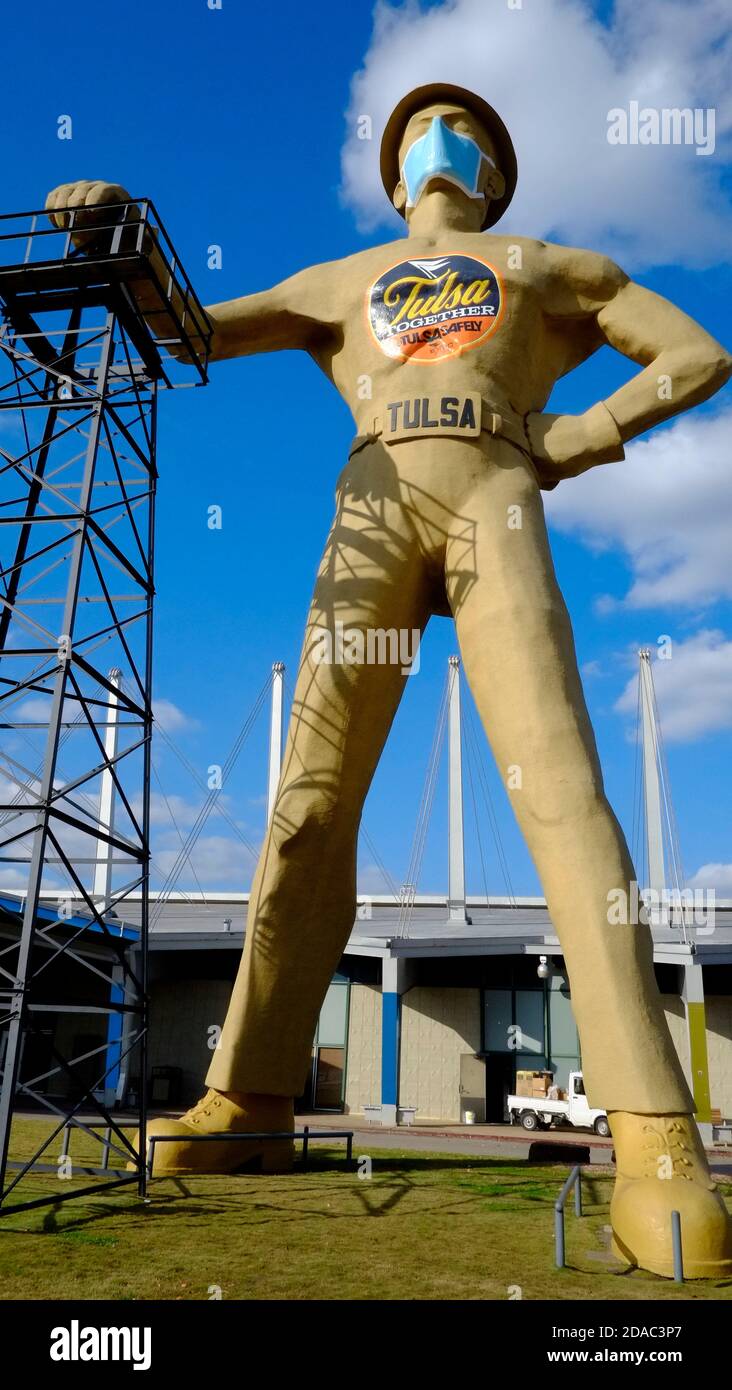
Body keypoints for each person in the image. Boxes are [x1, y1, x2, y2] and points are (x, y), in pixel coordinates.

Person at [47, 82, 732, 1278]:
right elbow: (192, 331)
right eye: (422, 120)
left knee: (562, 790)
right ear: (392, 165)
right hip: (369, 504)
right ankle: (250, 1099)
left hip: (496, 498)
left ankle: (653, 1135)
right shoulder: (339, 278)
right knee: (308, 804)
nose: (440, 134)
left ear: (499, 173)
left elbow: (696, 351)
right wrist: (123, 241)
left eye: (465, 122)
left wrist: (579, 433)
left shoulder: (546, 263)